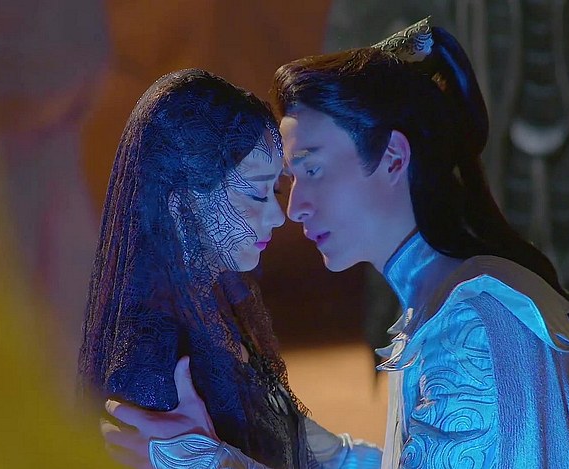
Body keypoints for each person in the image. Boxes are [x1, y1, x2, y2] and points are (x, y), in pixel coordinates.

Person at [103, 19, 569, 468]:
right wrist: (296, 439)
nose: (295, 208)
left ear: (393, 157)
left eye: (313, 170)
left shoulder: (470, 324)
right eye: (288, 181)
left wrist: (203, 462)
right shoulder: (452, 303)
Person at [78, 68, 381, 468]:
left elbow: (317, 452)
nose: (278, 216)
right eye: (256, 193)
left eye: (275, 190)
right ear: (180, 201)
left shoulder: (214, 315)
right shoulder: (152, 359)